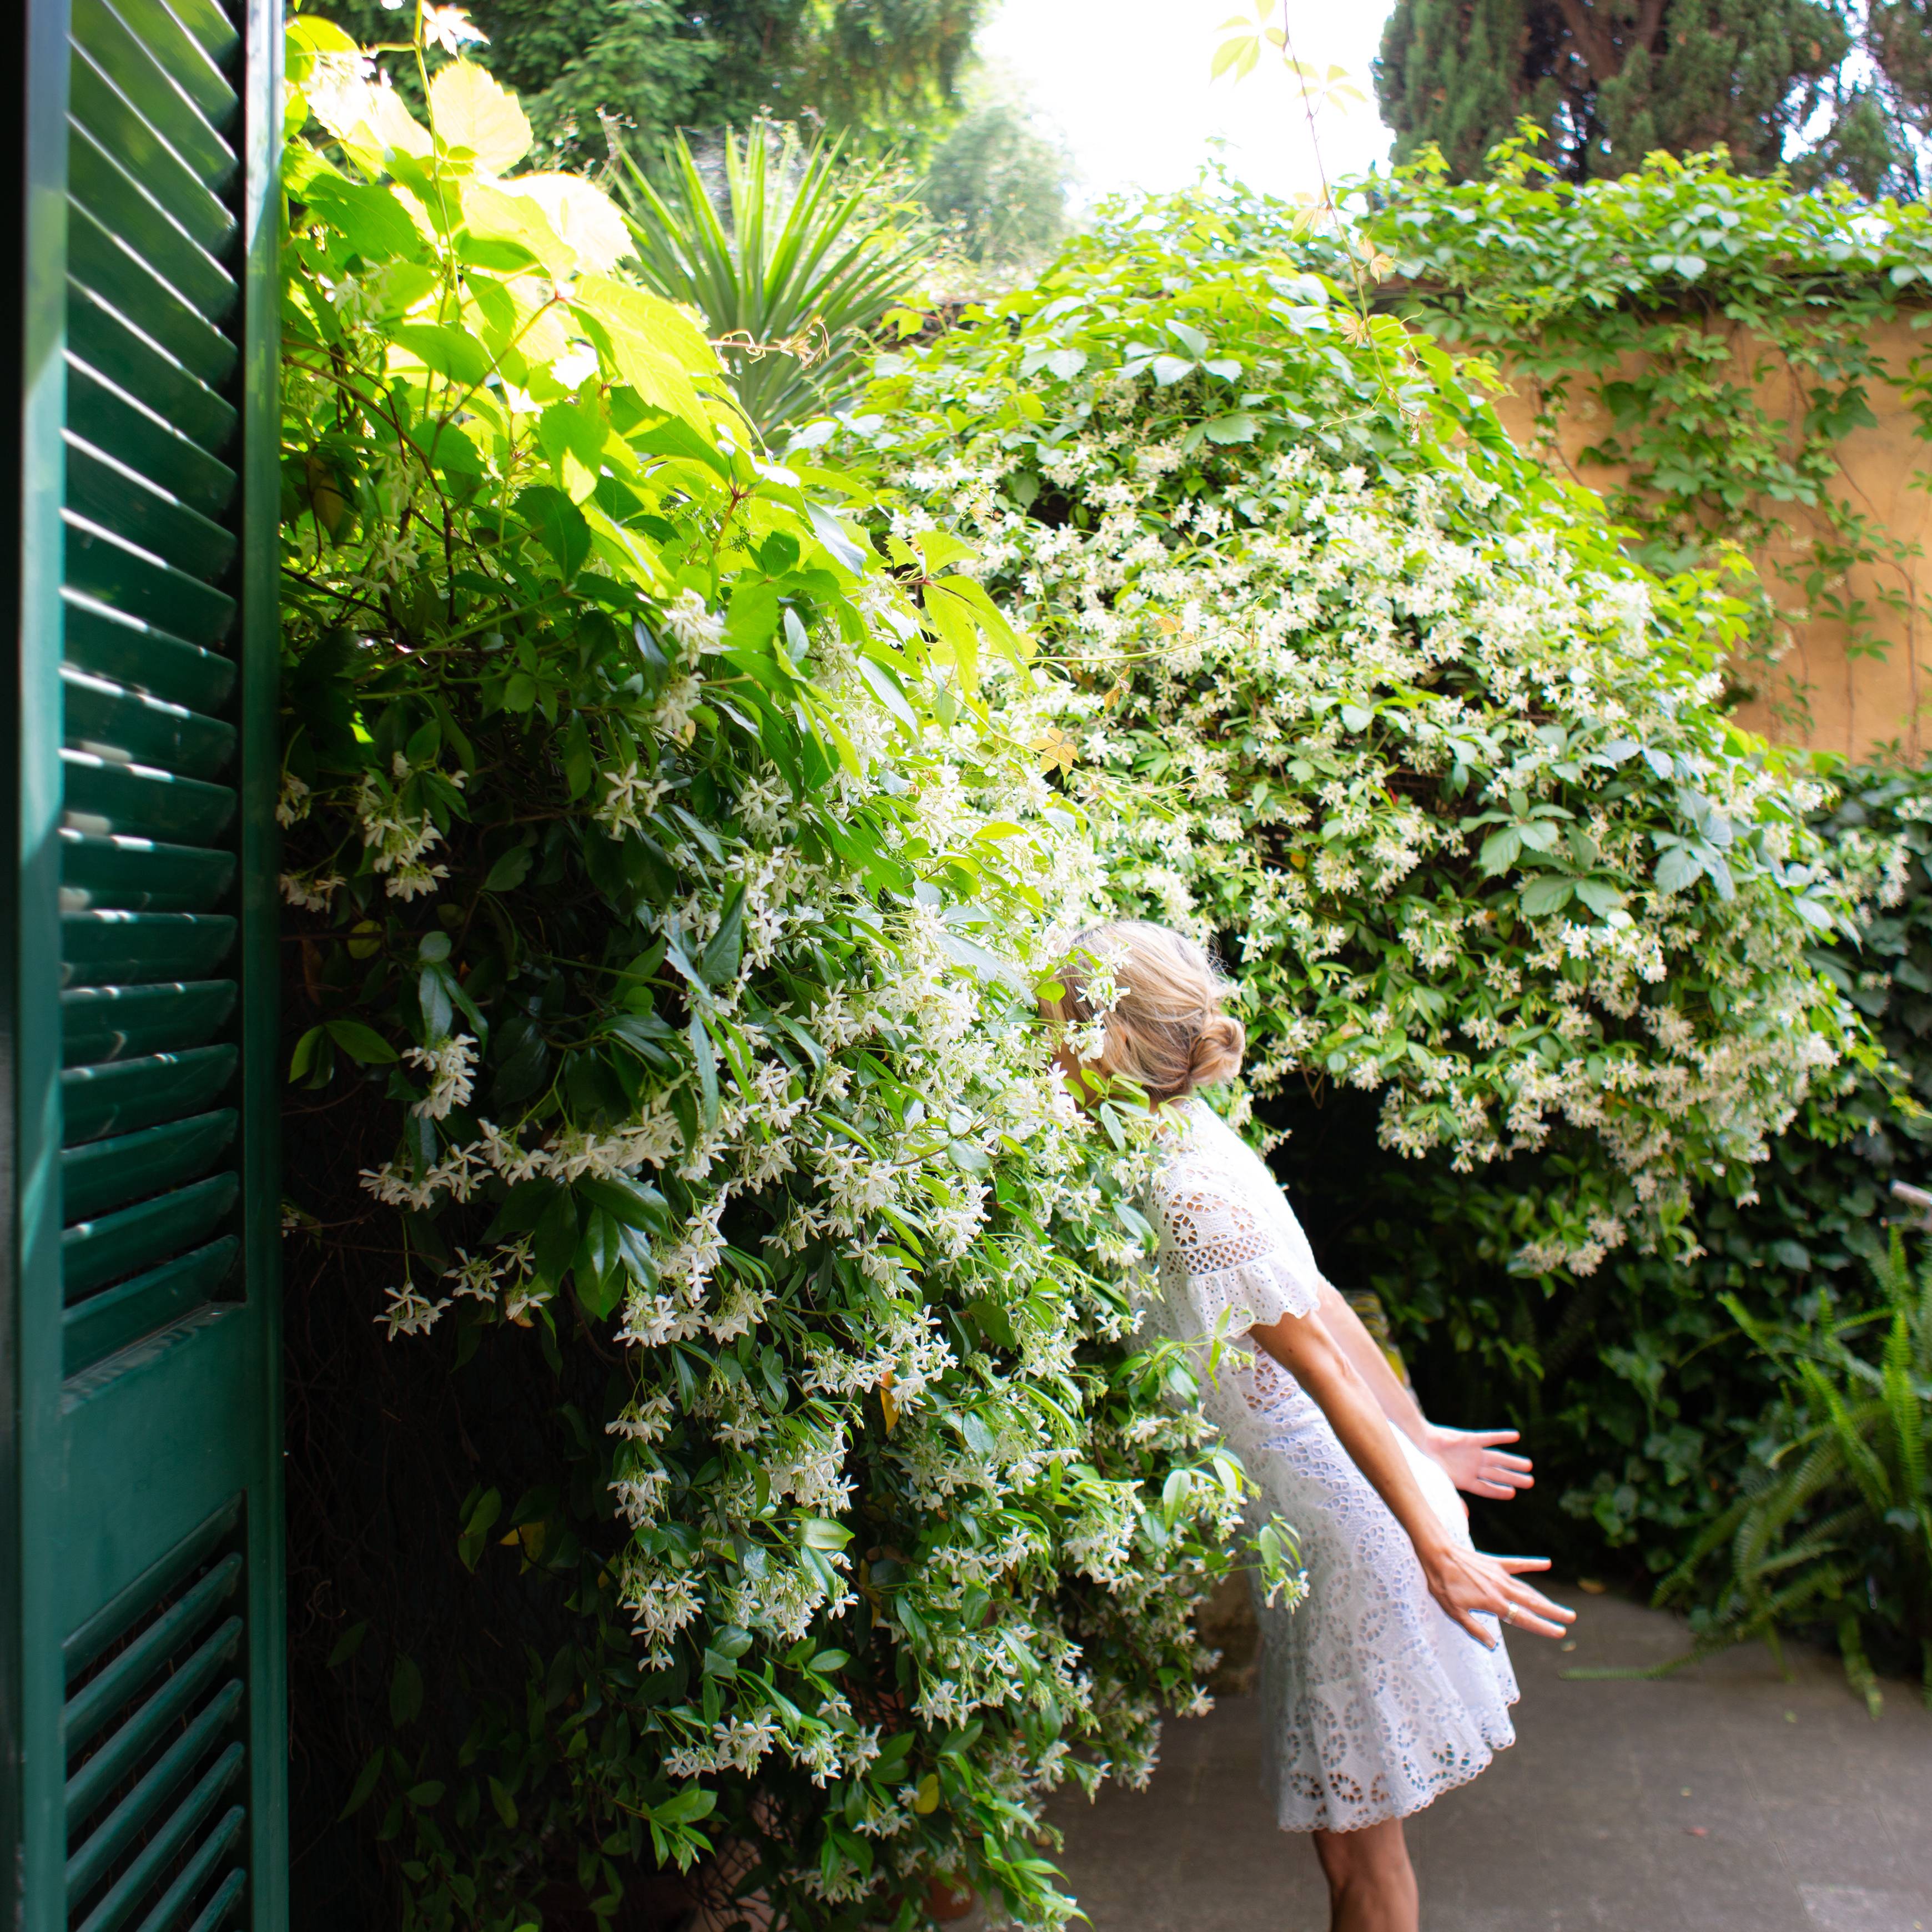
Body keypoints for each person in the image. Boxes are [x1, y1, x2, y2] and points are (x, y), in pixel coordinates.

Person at [1044, 920, 1575, 1932]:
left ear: (1107, 1041)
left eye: (1057, 1029)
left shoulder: (1190, 1189)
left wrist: (1432, 1539)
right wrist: (1420, 1438)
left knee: (1362, 1865)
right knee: (1357, 1853)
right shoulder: (1190, 1135)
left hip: (1354, 1541)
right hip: (1350, 1520)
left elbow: (1324, 1358)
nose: (1045, 1052)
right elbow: (1319, 1298)